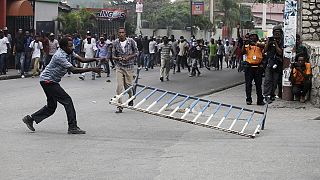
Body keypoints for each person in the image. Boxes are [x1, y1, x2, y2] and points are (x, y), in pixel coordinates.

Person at [22, 37, 103, 134]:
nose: (72, 47)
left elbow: (81, 59)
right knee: (67, 100)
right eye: (70, 46)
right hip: (48, 81)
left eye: (72, 45)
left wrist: (95, 58)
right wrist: (92, 69)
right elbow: (73, 70)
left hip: (50, 80)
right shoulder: (59, 56)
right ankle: (72, 126)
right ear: (64, 47)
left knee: (51, 107)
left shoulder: (68, 52)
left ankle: (30, 119)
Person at [112, 27, 138, 113]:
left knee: (128, 86)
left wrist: (128, 57)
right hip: (119, 66)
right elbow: (113, 56)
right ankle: (120, 106)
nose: (121, 34)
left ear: (125, 33)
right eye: (119, 32)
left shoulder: (131, 42)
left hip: (129, 67)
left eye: (122, 32)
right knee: (119, 87)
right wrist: (118, 58)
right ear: (118, 34)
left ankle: (131, 97)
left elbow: (136, 52)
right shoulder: (115, 43)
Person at [242, 33, 265, 105]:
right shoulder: (247, 45)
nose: (252, 38)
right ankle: (248, 99)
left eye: (254, 37)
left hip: (258, 67)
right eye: (251, 37)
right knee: (248, 84)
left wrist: (255, 44)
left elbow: (264, 46)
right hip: (249, 67)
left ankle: (260, 100)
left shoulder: (259, 44)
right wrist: (244, 44)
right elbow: (243, 52)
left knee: (258, 84)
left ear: (257, 38)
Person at [263, 25, 284, 104]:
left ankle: (272, 94)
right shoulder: (270, 40)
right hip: (270, 62)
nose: (277, 34)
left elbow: (280, 52)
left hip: (278, 63)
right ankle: (266, 95)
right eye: (275, 33)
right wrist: (268, 43)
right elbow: (264, 50)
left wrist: (276, 44)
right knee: (267, 80)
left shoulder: (282, 41)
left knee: (275, 80)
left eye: (278, 33)